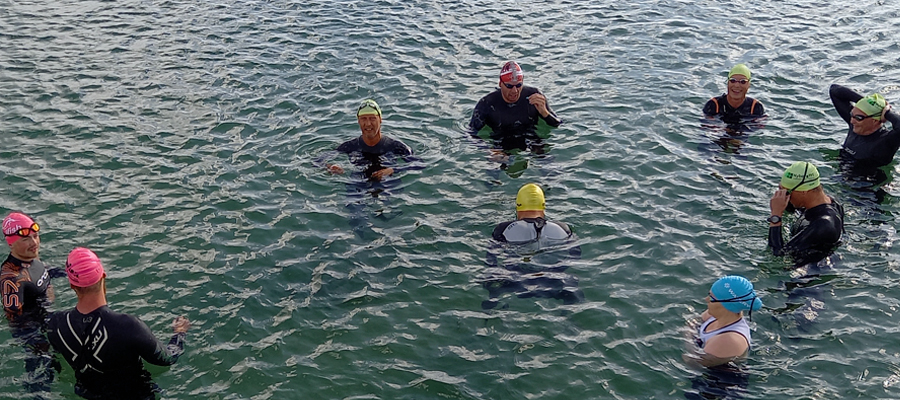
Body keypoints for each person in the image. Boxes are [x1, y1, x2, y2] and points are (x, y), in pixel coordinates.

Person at [47, 247, 190, 400]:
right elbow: (167, 359)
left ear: (72, 285)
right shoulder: (128, 326)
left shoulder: (56, 324)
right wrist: (179, 334)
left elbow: (57, 360)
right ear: (103, 276)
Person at [481, 183, 582, 309]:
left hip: (516, 281)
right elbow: (575, 256)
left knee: (493, 289)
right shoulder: (563, 229)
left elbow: (492, 260)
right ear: (543, 206)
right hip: (553, 280)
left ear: (518, 206)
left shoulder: (503, 229)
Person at [2, 212, 65, 395]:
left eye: (35, 236)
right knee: (40, 379)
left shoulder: (30, 256)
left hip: (46, 316)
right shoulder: (11, 278)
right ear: (11, 243)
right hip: (35, 330)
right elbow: (15, 319)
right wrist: (39, 346)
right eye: (26, 239)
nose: (34, 243)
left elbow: (41, 271)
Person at [467, 61, 562, 152]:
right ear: (500, 84)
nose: (514, 91)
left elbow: (557, 124)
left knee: (548, 165)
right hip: (500, 141)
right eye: (509, 86)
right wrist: (488, 150)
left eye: (519, 85)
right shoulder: (487, 103)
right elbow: (471, 134)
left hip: (531, 138)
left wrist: (544, 112)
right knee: (499, 165)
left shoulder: (534, 96)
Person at [767, 161, 844, 267]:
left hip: (807, 276)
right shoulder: (825, 202)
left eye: (787, 192)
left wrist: (776, 215)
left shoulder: (823, 224)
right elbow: (793, 209)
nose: (784, 196)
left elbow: (778, 255)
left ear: (804, 192)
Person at [324, 99, 414, 181]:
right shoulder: (350, 146)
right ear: (358, 121)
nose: (368, 124)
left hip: (387, 185)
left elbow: (418, 164)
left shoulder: (395, 146)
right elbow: (318, 161)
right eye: (363, 119)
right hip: (358, 184)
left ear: (380, 119)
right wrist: (331, 167)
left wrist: (393, 170)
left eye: (372, 118)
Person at [689, 275, 762, 368]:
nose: (706, 299)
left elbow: (694, 362)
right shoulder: (712, 314)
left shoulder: (729, 340)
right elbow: (695, 322)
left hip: (719, 379)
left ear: (726, 306)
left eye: (711, 298)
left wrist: (688, 337)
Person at [829, 84, 900, 171]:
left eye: (859, 118)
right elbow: (834, 90)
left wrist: (887, 113)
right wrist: (866, 102)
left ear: (874, 121)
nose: (852, 121)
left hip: (867, 181)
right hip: (842, 170)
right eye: (852, 115)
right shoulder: (856, 126)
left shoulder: (886, 141)